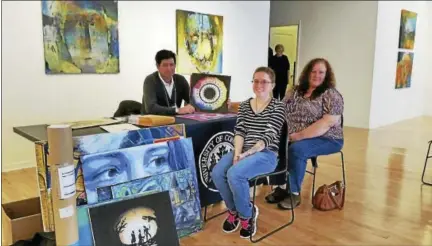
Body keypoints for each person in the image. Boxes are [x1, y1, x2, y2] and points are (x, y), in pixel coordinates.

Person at [211, 67, 286, 238]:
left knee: (234, 174)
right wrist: (238, 153)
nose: (259, 84)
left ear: (272, 85)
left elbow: (268, 137)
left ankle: (247, 215)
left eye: (264, 81)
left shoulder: (278, 107)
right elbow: (240, 132)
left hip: (266, 154)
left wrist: (245, 155)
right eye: (256, 80)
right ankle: (234, 211)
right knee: (217, 172)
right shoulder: (245, 105)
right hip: (243, 151)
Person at [265, 58, 344, 210]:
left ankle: (294, 193)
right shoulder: (295, 91)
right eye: (313, 71)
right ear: (307, 73)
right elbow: (279, 109)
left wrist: (298, 136)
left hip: (327, 138)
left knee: (297, 149)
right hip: (295, 136)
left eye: (321, 72)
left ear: (327, 75)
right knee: (277, 143)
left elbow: (326, 123)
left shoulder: (332, 95)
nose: (316, 75)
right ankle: (281, 187)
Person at [141, 49, 195, 115]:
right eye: (165, 65)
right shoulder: (150, 80)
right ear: (158, 66)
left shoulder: (180, 80)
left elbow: (193, 101)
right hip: (152, 122)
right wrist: (177, 110)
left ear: (175, 65)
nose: (169, 69)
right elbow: (151, 108)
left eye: (171, 65)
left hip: (175, 120)